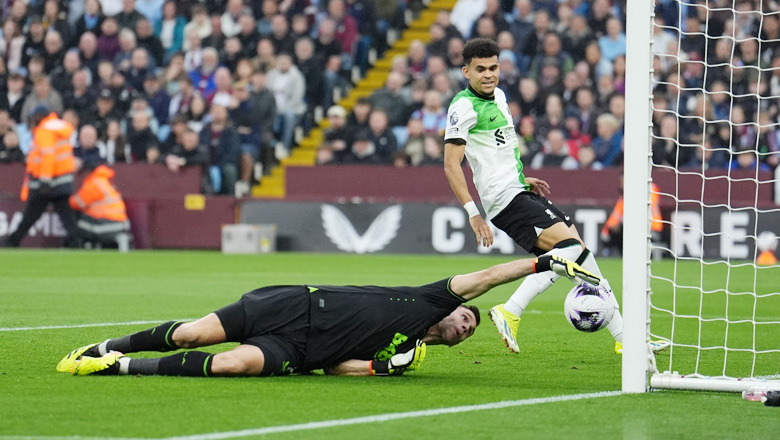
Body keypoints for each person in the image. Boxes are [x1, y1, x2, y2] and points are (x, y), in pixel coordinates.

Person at [442, 38, 667, 356]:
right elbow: (451, 164)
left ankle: (626, 338)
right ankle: (510, 310)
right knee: (570, 250)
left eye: (493, 67)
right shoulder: (463, 107)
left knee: (582, 257)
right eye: (480, 69)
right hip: (502, 200)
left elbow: (499, 151)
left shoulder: (501, 97)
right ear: (466, 71)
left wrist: (522, 178)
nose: (488, 74)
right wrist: (472, 211)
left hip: (517, 190)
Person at [56, 254, 599, 377]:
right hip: (296, 301)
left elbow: (343, 368)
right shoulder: (435, 297)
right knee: (196, 331)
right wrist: (540, 262)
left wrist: (378, 370)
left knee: (229, 367)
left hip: (300, 351)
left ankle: (116, 369)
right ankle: (115, 345)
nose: (465, 324)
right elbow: (485, 279)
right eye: (468, 318)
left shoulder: (406, 354)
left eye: (468, 331)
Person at [4, 105, 81, 248]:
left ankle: (12, 241)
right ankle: (76, 243)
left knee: (31, 215)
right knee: (65, 216)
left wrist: (45, 181)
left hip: (48, 183)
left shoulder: (44, 131)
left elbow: (48, 156)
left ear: (39, 117)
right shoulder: (56, 130)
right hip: (60, 181)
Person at [69, 164, 131, 249]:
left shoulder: (93, 183)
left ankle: (79, 247)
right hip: (121, 224)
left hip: (107, 224)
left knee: (78, 224)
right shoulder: (103, 181)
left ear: (89, 171)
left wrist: (65, 200)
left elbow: (78, 203)